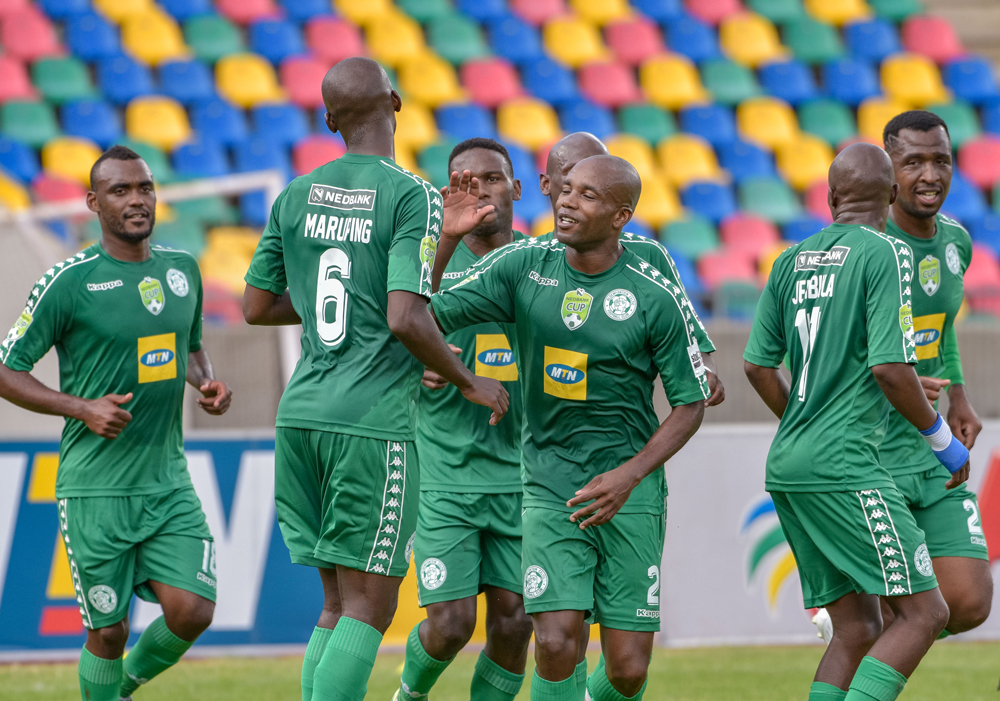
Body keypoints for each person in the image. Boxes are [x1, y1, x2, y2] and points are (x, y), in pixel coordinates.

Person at [241, 58, 508, 701]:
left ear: (330, 119)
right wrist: (467, 378)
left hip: (302, 411)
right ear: (395, 101)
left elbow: (256, 306)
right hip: (371, 422)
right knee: (371, 608)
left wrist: (361, 303)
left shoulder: (296, 193)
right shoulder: (407, 192)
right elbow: (404, 316)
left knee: (335, 604)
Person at [431, 155, 710, 701]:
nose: (566, 202)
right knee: (557, 643)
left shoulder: (654, 293)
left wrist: (629, 475)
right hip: (549, 484)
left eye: (587, 195)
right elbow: (426, 310)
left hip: (630, 491)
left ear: (620, 215)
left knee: (628, 671)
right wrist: (445, 239)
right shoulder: (524, 266)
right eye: (566, 191)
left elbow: (690, 404)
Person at [0, 145, 233, 701]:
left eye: (145, 188)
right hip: (95, 489)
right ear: (92, 202)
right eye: (120, 191)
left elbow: (191, 346)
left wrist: (206, 382)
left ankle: (125, 686)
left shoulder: (183, 270)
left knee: (193, 611)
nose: (136, 200)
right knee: (108, 630)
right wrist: (82, 407)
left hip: (166, 480)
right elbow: (8, 371)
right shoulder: (69, 281)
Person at [743, 143, 970, 701]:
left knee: (856, 627)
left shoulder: (790, 259)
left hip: (789, 465)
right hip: (846, 464)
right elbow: (892, 368)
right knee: (924, 613)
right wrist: (943, 442)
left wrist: (804, 419)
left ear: (830, 197)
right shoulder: (886, 253)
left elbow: (755, 364)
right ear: (892, 196)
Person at [811, 111, 991, 645]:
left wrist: (957, 393)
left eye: (941, 160)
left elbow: (940, 327)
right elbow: (825, 353)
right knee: (905, 615)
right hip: (870, 448)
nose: (929, 175)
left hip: (928, 445)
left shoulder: (956, 242)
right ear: (887, 173)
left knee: (969, 601)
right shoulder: (866, 251)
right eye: (912, 162)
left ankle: (862, 625)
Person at [394, 138, 533, 701]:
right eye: (464, 181)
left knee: (516, 625)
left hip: (523, 476)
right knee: (451, 626)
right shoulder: (430, 264)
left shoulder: (542, 265)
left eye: (493, 179)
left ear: (518, 189)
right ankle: (409, 694)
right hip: (445, 473)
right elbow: (397, 330)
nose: (480, 191)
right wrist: (430, 363)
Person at [537, 132, 724, 407]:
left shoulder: (650, 256)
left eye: (596, 170)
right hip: (539, 438)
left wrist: (705, 371)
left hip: (626, 435)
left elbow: (691, 341)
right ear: (546, 184)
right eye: (570, 178)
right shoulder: (526, 259)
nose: (586, 178)